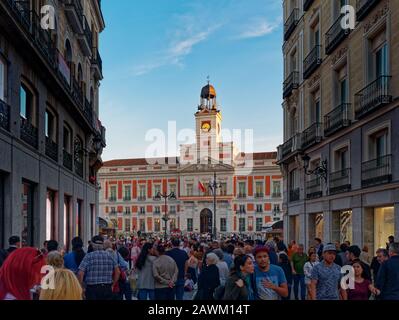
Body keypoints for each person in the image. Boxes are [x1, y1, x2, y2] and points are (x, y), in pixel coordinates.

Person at [77, 235, 120, 300]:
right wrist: (113, 284)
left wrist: (82, 288)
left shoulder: (88, 256)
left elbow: (80, 273)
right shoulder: (110, 256)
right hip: (107, 288)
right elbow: (118, 272)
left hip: (92, 289)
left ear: (93, 245)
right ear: (102, 244)